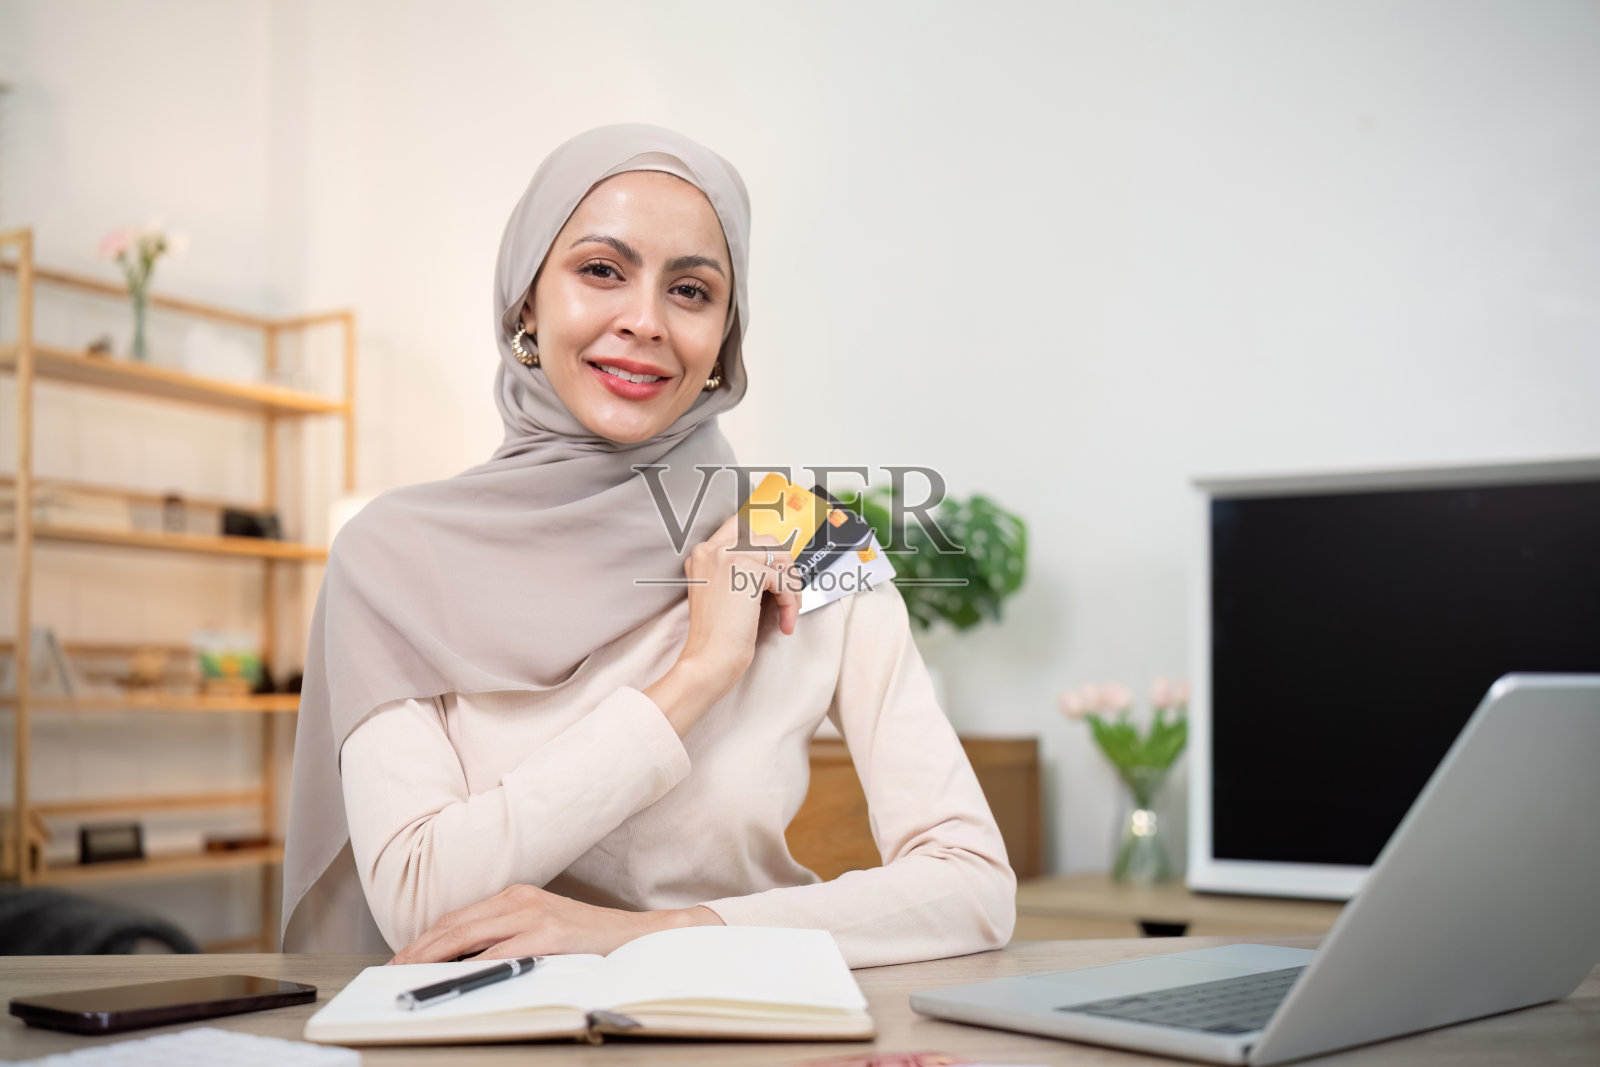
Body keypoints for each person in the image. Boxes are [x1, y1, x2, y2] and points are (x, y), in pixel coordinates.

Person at [280, 124, 1015, 968]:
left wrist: (649, 937)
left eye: (692, 290)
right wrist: (698, 674)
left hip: (745, 1026)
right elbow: (421, 903)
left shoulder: (803, 539)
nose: (645, 321)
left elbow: (973, 884)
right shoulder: (394, 555)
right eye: (601, 271)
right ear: (527, 299)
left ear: (724, 339)